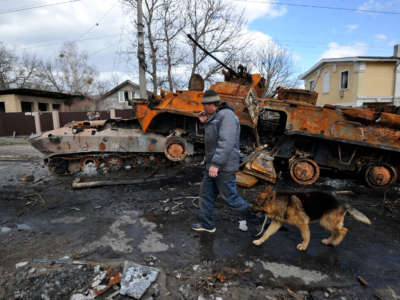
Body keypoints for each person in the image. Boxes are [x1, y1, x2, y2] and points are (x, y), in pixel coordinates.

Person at [192, 89, 267, 236]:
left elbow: (226, 142)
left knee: (231, 197)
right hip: (213, 166)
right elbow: (213, 138)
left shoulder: (227, 116)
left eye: (204, 105)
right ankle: (207, 224)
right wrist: (205, 122)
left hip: (223, 167)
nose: (203, 108)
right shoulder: (216, 116)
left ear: (211, 105)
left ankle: (257, 219)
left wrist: (216, 164)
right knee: (206, 195)